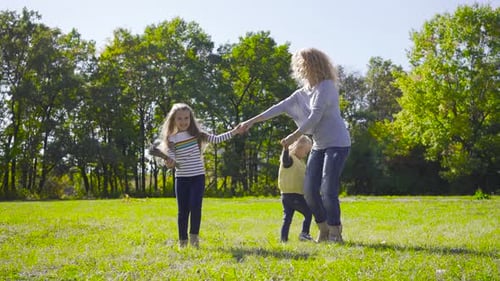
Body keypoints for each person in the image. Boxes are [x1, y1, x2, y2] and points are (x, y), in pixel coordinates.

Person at [240, 48, 351, 243]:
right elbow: (279, 107)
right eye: (299, 65)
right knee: (309, 191)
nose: (301, 68)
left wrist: (293, 137)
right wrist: (251, 121)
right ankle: (323, 229)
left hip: (338, 144)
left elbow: (314, 117)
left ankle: (335, 232)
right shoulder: (302, 93)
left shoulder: (326, 87)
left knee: (327, 188)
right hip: (319, 145)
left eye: (304, 64)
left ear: (315, 65)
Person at [157, 103, 243, 248]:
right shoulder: (171, 139)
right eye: (179, 119)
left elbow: (216, 139)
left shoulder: (197, 135)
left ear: (191, 119)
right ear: (173, 120)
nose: (183, 122)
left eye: (186, 118)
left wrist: (234, 132)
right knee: (182, 211)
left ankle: (194, 239)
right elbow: (170, 157)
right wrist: (169, 162)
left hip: (197, 177)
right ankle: (182, 242)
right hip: (182, 179)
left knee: (195, 207)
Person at [278, 135, 313, 243]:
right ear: (299, 147)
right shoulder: (290, 158)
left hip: (286, 195)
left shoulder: (300, 161)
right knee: (308, 213)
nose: (306, 154)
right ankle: (304, 233)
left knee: (287, 218)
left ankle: (283, 239)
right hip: (294, 195)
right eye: (306, 151)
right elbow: (285, 160)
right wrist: (285, 148)